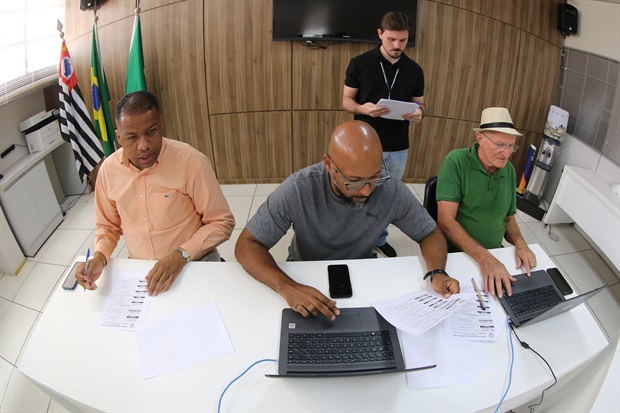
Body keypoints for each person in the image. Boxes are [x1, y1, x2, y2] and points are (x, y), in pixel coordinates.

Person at [235, 120, 459, 321]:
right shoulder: (299, 189)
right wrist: (287, 287)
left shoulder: (390, 189)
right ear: (329, 164)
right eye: (354, 181)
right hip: (304, 272)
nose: (367, 190)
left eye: (375, 177)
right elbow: (247, 245)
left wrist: (437, 272)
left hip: (361, 271)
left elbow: (429, 232)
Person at [75, 91, 235, 296]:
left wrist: (180, 255)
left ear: (161, 124)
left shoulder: (192, 162)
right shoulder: (108, 171)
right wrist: (99, 257)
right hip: (143, 272)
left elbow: (222, 222)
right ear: (118, 137)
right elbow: (108, 226)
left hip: (194, 262)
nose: (144, 146)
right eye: (131, 137)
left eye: (151, 131)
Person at [342, 11, 426, 258]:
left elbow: (420, 105)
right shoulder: (359, 63)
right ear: (380, 34)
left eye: (402, 40)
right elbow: (346, 101)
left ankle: (379, 237)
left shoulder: (414, 70)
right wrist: (361, 108)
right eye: (391, 39)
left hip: (398, 145)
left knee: (388, 195)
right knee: (358, 193)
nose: (397, 46)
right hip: (364, 144)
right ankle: (354, 238)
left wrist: (419, 113)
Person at [436, 107, 537, 299]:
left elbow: (509, 219)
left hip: (494, 256)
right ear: (480, 138)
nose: (506, 154)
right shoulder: (456, 161)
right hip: (458, 256)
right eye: (500, 145)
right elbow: (446, 222)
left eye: (511, 147)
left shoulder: (508, 171)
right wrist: (485, 259)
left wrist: (520, 243)